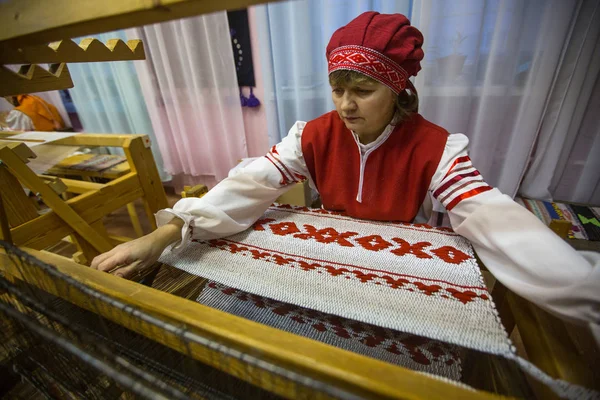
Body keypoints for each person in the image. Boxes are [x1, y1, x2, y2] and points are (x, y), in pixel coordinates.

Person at [92, 12, 599, 336]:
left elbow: (490, 216)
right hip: (324, 258)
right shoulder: (312, 134)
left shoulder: (436, 148)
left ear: (398, 90)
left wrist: (588, 292)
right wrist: (166, 233)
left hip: (398, 272)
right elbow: (251, 184)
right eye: (337, 89)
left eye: (363, 90)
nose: (345, 106)